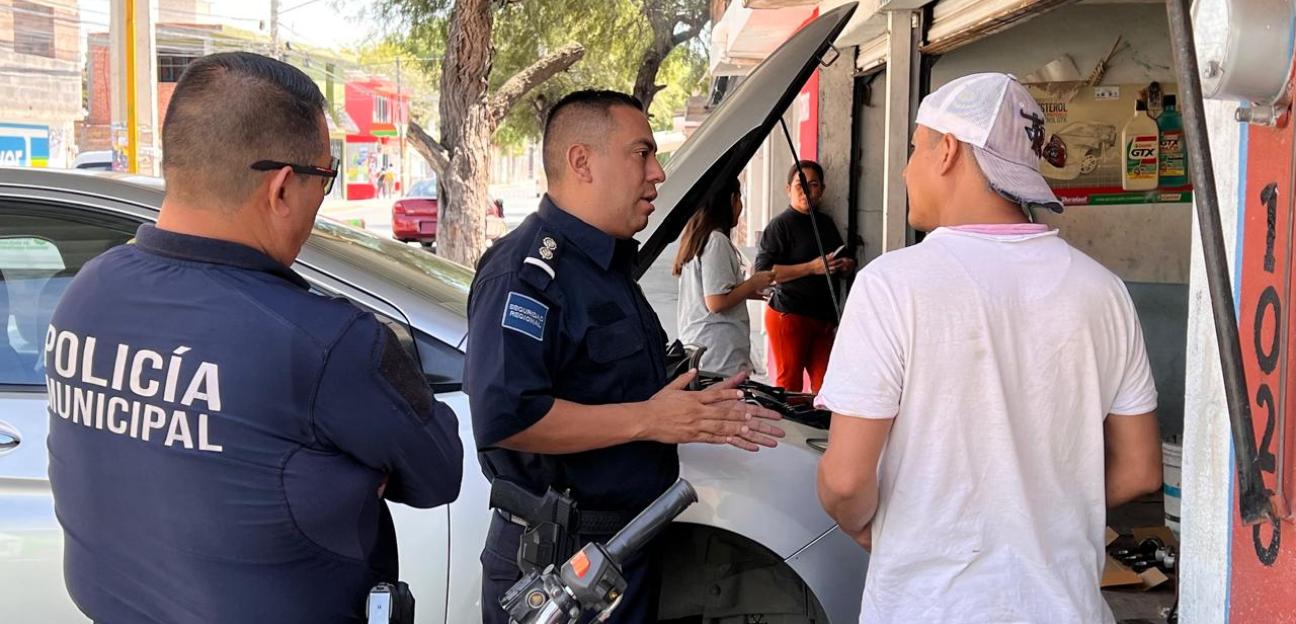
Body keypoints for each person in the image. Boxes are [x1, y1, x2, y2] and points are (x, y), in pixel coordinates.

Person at [44, 52, 464, 623]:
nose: (322, 199)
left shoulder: (85, 293)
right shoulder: (324, 341)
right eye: (325, 176)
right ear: (283, 188)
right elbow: (438, 472)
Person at [815, 72, 1163, 623]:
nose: (906, 169)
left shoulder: (894, 284)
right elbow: (1142, 469)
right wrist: (1037, 507)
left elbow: (845, 479)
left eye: (913, 149)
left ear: (947, 151)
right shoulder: (1104, 290)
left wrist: (869, 523)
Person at [463, 90, 785, 624]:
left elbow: (612, 388)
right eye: (643, 153)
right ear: (582, 161)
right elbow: (507, 416)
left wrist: (691, 403)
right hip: (559, 566)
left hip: (620, 550)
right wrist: (651, 419)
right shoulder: (526, 272)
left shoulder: (607, 269)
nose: (658, 173)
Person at [754, 160, 855, 392]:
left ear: (822, 189)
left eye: (813, 185)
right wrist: (812, 267)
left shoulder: (825, 223)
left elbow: (845, 258)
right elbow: (763, 272)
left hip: (822, 317)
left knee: (826, 388)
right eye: (800, 185)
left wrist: (844, 264)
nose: (807, 191)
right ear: (788, 189)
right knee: (790, 386)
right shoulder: (780, 226)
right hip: (790, 314)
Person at [673, 177, 775, 375]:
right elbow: (716, 302)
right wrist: (753, 282)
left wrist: (751, 291)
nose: (741, 207)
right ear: (731, 200)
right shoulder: (716, 241)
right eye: (740, 199)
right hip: (718, 356)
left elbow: (718, 290)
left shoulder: (701, 238)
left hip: (708, 350)